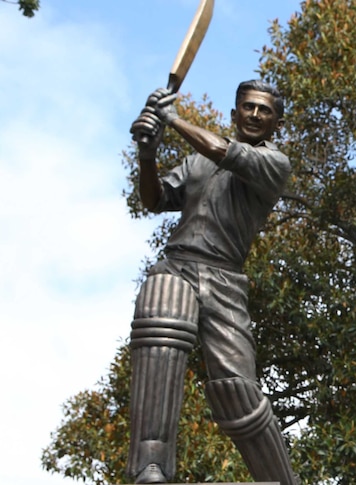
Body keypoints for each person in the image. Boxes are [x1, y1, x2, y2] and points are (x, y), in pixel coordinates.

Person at [125, 80, 298, 485]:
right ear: (234, 112)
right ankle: (150, 466)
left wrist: (170, 118)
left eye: (264, 110)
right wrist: (147, 153)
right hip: (177, 266)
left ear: (276, 122)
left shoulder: (274, 163)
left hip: (224, 278)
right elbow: (153, 200)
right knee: (159, 331)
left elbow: (224, 151)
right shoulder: (196, 163)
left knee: (236, 390)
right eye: (248, 107)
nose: (255, 115)